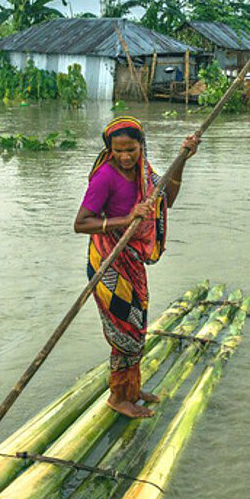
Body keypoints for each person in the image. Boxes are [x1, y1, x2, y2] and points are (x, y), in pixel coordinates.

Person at [74, 117, 200, 419]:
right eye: (119, 151)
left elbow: (167, 199)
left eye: (131, 149)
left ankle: (131, 389)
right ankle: (118, 398)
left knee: (137, 327)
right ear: (110, 150)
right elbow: (81, 223)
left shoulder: (145, 172)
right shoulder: (105, 177)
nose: (126, 157)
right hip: (107, 264)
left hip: (130, 262)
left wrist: (183, 158)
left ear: (141, 146)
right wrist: (126, 219)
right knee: (124, 333)